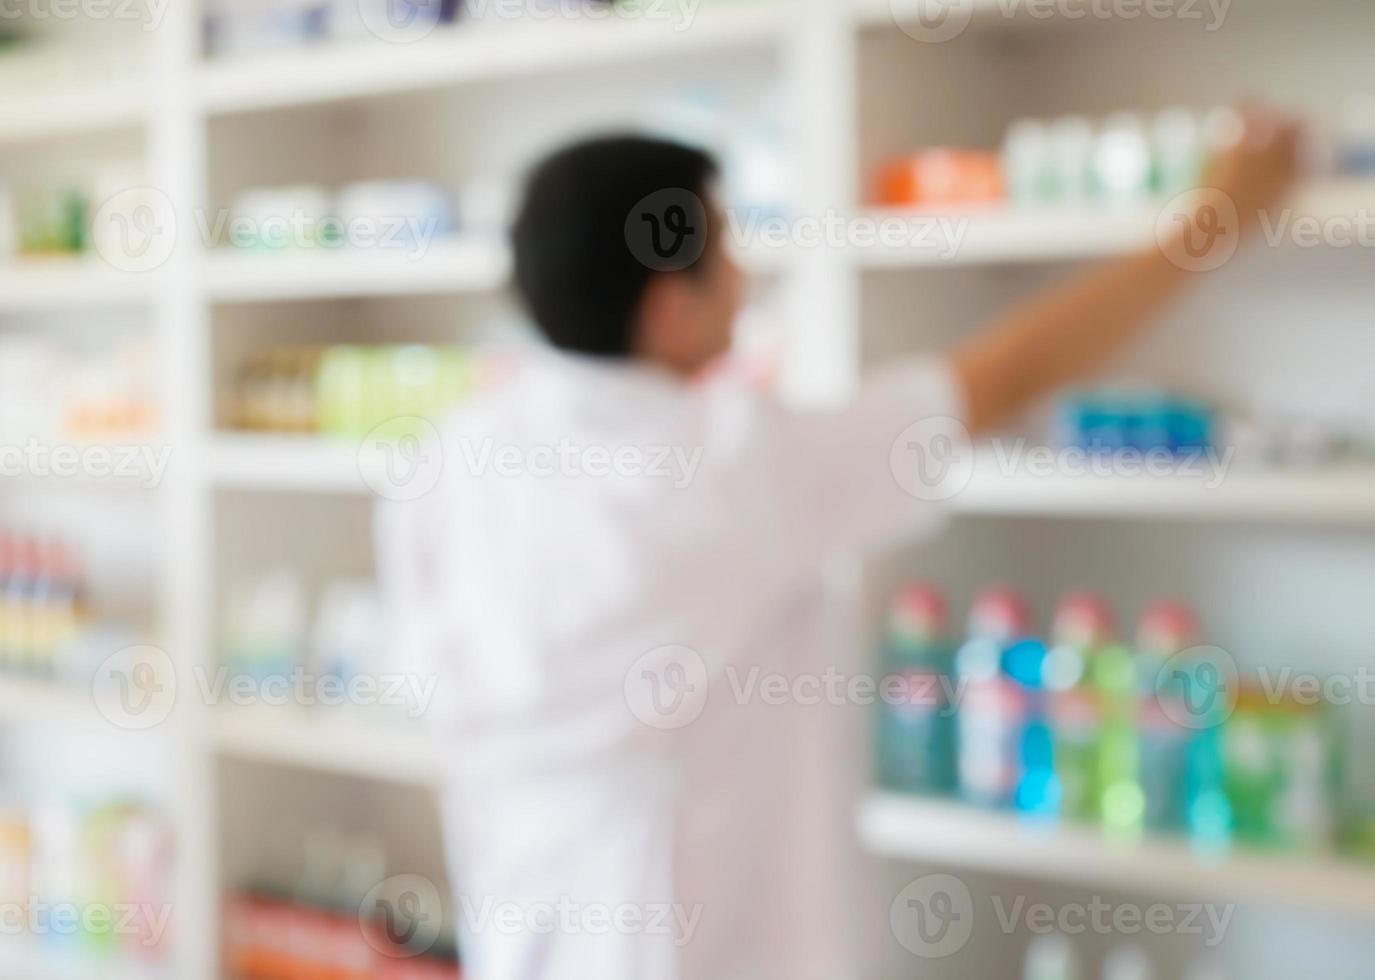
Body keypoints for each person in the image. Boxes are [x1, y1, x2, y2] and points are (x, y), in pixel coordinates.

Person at [374, 112, 1299, 980]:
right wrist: (1213, 221)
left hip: (527, 927)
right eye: (727, 248)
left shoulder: (453, 455)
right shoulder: (726, 469)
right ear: (668, 308)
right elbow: (1005, 377)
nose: (746, 276)